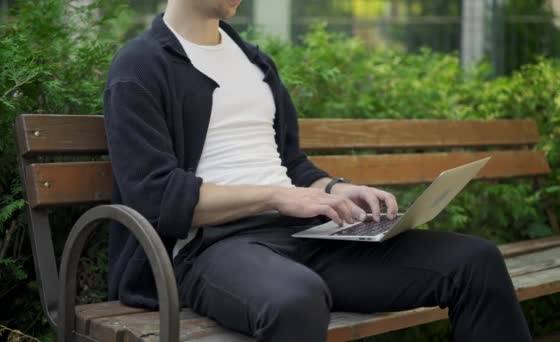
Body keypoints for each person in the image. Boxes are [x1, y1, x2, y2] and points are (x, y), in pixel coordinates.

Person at [103, 0, 532, 341]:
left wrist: (337, 189)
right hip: (216, 247)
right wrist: (276, 196)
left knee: (475, 260)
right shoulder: (139, 68)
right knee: (296, 299)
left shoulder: (254, 63)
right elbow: (156, 197)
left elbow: (291, 163)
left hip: (305, 234)